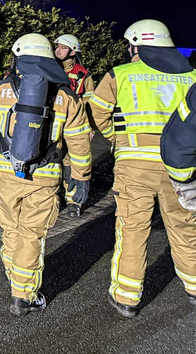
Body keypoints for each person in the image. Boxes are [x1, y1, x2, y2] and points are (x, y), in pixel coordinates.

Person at [0, 33, 92, 316]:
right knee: (32, 234)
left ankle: (15, 276)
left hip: (5, 175)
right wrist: (81, 177)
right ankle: (23, 294)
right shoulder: (66, 95)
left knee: (11, 229)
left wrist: (3, 145)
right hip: (45, 177)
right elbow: (79, 142)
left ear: (17, 57)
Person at [89, 19, 196, 318]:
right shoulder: (192, 77)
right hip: (181, 166)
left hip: (134, 164)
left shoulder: (120, 74)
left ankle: (127, 297)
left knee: (132, 229)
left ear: (136, 45)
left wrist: (116, 140)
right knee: (186, 227)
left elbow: (97, 113)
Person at [54, 34, 96, 217]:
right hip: (55, 123)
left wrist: (91, 128)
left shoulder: (82, 74)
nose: (58, 51)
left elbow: (89, 104)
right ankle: (51, 199)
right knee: (51, 162)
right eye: (57, 47)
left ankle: (73, 202)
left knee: (71, 164)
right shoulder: (50, 68)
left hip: (73, 124)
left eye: (62, 48)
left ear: (73, 51)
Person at [161, 83, 196, 215]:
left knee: (134, 222)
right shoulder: (192, 75)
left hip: (133, 156)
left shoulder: (120, 74)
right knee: (181, 228)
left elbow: (178, 144)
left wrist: (188, 192)